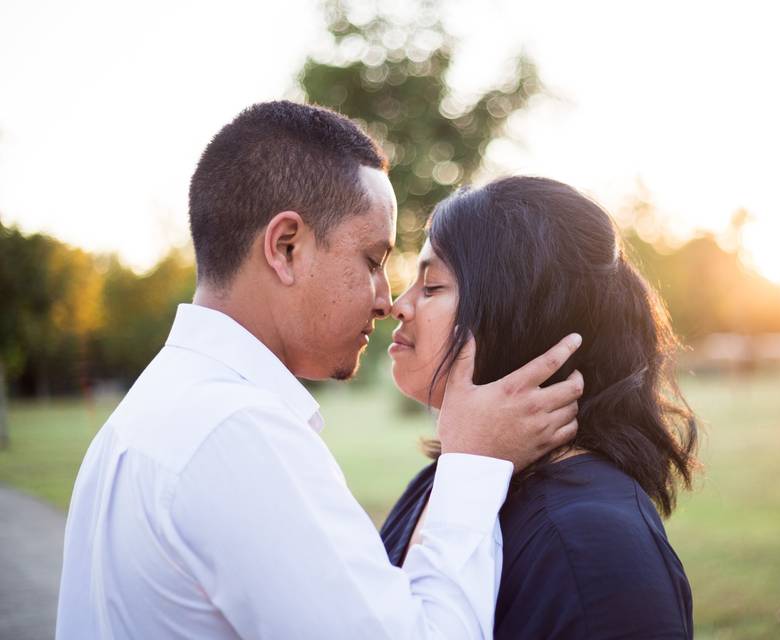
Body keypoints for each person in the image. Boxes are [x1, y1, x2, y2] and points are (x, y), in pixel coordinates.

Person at [56, 102, 584, 639]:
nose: (386, 301)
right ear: (287, 248)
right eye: (373, 261)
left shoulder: (156, 409)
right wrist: (473, 462)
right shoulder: (236, 433)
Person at [381, 176, 700, 639]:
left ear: (515, 312)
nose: (397, 305)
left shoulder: (594, 547)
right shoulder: (454, 476)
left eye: (430, 286)